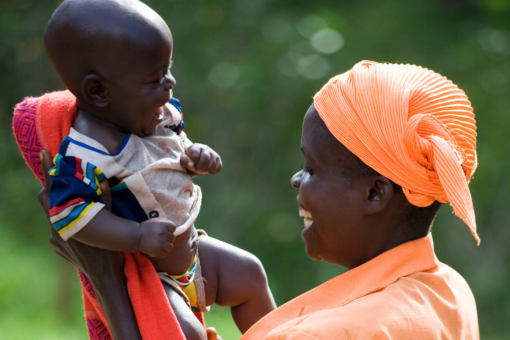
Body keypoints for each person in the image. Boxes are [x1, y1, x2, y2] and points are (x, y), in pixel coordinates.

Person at [38, 60, 480, 339]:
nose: (296, 179)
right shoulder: (449, 291)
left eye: (311, 168)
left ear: (373, 193)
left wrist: (107, 281)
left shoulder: (331, 332)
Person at [36, 0, 275, 339]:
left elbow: (175, 147)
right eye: (156, 77)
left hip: (196, 253)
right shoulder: (85, 154)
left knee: (250, 272)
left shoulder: (156, 114)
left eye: (168, 69)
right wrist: (135, 236)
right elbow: (70, 216)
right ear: (98, 91)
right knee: (186, 334)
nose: (170, 82)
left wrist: (195, 155)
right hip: (156, 278)